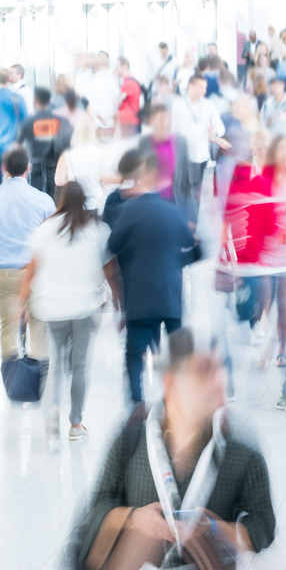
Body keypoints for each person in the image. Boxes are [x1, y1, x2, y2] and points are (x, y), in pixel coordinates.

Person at [74, 330, 276, 570]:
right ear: (171, 382)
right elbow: (99, 505)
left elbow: (264, 527)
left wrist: (219, 531)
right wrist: (133, 518)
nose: (215, 383)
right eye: (202, 373)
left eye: (218, 372)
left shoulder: (239, 452)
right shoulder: (131, 441)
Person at [107, 150, 202, 404]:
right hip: (170, 296)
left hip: (139, 297)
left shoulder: (128, 210)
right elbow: (197, 249)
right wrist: (173, 261)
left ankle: (137, 405)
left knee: (134, 354)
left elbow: (112, 245)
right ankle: (175, 401)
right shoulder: (172, 212)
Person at [223, 133, 286, 395]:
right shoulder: (262, 178)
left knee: (282, 303)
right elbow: (244, 208)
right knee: (264, 302)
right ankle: (266, 340)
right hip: (263, 254)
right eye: (281, 149)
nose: (285, 154)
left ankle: (282, 351)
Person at [20, 183, 110, 442]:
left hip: (52, 307)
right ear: (84, 200)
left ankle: (52, 412)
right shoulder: (96, 230)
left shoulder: (45, 229)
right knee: (80, 367)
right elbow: (105, 269)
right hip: (83, 308)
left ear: (59, 199)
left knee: (56, 364)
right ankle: (75, 423)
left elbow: (32, 268)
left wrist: (22, 303)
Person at [0, 148, 56, 364]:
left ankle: (13, 380)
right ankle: (37, 380)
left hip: (1, 274)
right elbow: (51, 242)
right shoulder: (43, 201)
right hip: (33, 275)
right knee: (39, 325)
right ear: (28, 168)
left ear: (3, 169)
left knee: (7, 328)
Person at [174, 74, 231, 219]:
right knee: (181, 193)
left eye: (205, 88)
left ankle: (191, 229)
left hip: (201, 157)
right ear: (190, 87)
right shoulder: (178, 105)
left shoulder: (208, 105)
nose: (204, 91)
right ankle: (182, 225)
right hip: (182, 156)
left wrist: (214, 131)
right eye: (201, 87)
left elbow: (220, 127)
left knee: (195, 195)